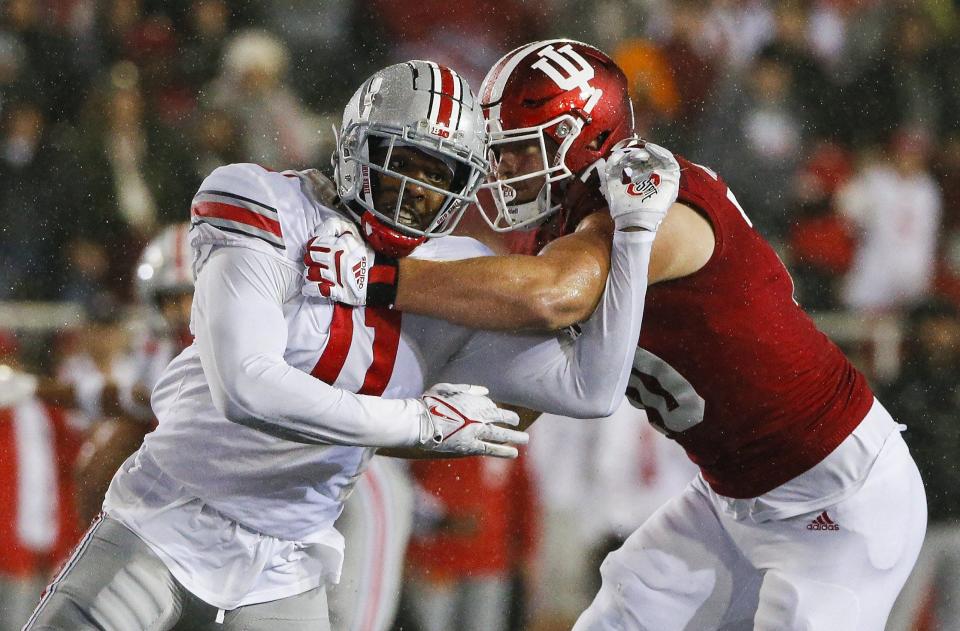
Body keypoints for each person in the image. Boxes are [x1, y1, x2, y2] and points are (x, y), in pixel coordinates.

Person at [23, 59, 664, 631]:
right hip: (165, 519)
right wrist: (418, 420)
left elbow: (593, 387)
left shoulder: (452, 271)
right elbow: (245, 386)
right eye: (402, 159)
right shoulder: (265, 202)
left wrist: (633, 236)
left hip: (286, 564)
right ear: (356, 146)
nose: (416, 188)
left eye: (438, 173)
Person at [307, 39, 926, 630]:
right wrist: (351, 428)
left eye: (520, 149)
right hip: (733, 499)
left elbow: (556, 296)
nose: (502, 169)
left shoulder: (647, 197)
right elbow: (506, 413)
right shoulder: (562, 235)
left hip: (839, 497)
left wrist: (375, 277)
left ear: (583, 137)